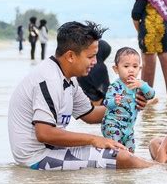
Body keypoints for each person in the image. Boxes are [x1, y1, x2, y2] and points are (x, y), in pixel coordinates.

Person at [8, 21, 155, 171]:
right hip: (37, 157)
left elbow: (90, 114)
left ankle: (159, 166)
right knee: (122, 157)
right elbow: (44, 133)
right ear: (71, 56)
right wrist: (94, 139)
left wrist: (126, 105)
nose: (95, 62)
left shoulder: (69, 79)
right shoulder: (49, 79)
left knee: (121, 150)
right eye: (91, 56)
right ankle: (163, 170)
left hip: (53, 148)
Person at [101, 47, 155, 153]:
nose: (131, 70)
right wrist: (114, 101)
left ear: (139, 69)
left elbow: (151, 95)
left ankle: (128, 170)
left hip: (129, 129)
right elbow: (106, 102)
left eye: (135, 66)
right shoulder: (115, 86)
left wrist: (143, 85)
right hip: (113, 125)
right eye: (126, 66)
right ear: (116, 69)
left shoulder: (139, 85)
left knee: (131, 152)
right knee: (116, 151)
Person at [77, 39, 111, 106]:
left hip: (82, 97)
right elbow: (106, 89)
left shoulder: (85, 63)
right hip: (95, 100)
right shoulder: (101, 67)